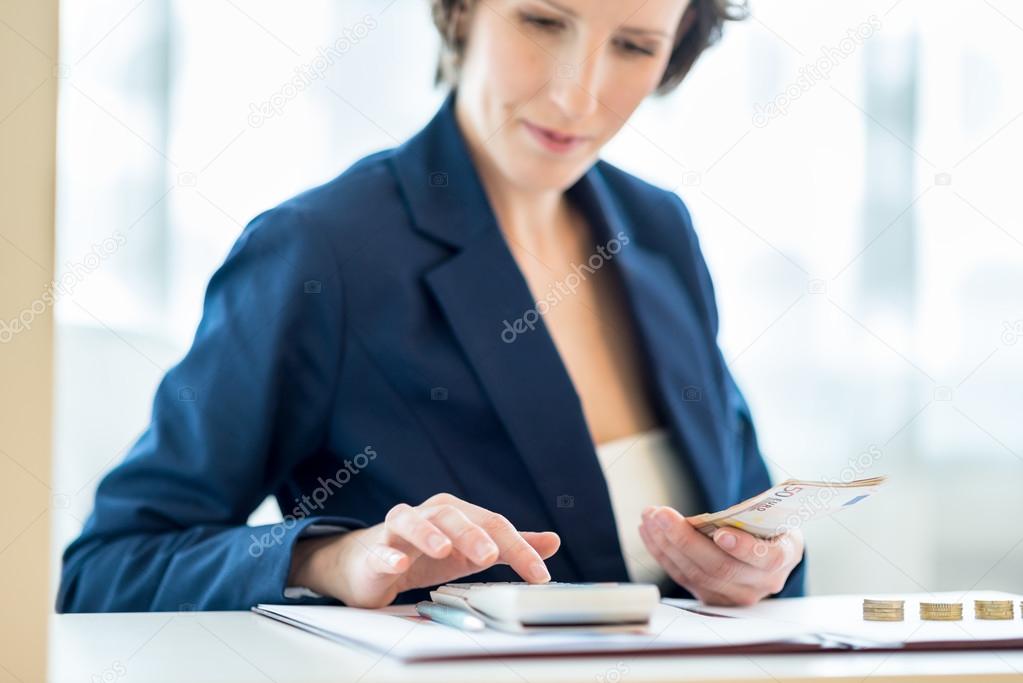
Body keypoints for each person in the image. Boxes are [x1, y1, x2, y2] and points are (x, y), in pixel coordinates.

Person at [58, 0, 805, 613]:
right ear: (462, 12)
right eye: (543, 22)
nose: (578, 93)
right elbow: (108, 569)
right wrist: (329, 557)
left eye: (635, 46)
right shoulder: (323, 250)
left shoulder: (657, 230)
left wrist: (764, 564)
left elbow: (748, 522)